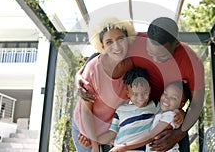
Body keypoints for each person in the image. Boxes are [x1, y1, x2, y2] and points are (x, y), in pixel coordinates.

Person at [77, 17, 205, 151]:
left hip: (170, 116)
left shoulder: (192, 62)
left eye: (162, 56)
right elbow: (104, 51)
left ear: (176, 45)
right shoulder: (136, 42)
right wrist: (80, 74)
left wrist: (178, 134)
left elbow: (197, 103)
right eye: (150, 53)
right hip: (145, 113)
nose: (155, 60)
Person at [71, 16, 136, 152]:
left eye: (120, 39)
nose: (116, 46)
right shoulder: (94, 69)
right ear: (102, 46)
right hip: (85, 130)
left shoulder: (132, 66)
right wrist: (94, 145)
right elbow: (86, 111)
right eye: (109, 42)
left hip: (109, 132)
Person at [109, 80, 191, 152]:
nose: (166, 99)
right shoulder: (161, 112)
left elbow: (150, 136)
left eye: (173, 98)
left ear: (181, 104)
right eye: (165, 94)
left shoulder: (172, 116)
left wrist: (124, 146)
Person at [96, 67, 158, 151]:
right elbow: (112, 133)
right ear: (128, 93)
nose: (140, 98)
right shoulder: (121, 110)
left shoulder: (155, 106)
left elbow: (170, 116)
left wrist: (180, 113)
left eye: (145, 93)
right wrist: (94, 140)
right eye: (135, 94)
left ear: (150, 90)